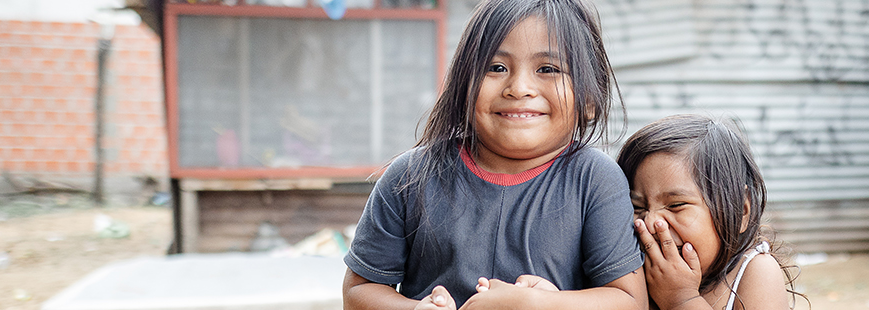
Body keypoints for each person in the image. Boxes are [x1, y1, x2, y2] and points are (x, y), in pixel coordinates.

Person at [341, 0, 646, 309]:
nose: (519, 87)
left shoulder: (596, 180)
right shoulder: (410, 176)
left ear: (590, 100)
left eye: (548, 69)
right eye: (496, 68)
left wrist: (534, 303)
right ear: (462, 87)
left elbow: (628, 301)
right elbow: (359, 291)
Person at [617, 114, 795, 310]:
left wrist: (681, 299)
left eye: (676, 205)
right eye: (638, 207)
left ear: (741, 211)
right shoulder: (633, 276)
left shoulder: (756, 271)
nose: (650, 222)